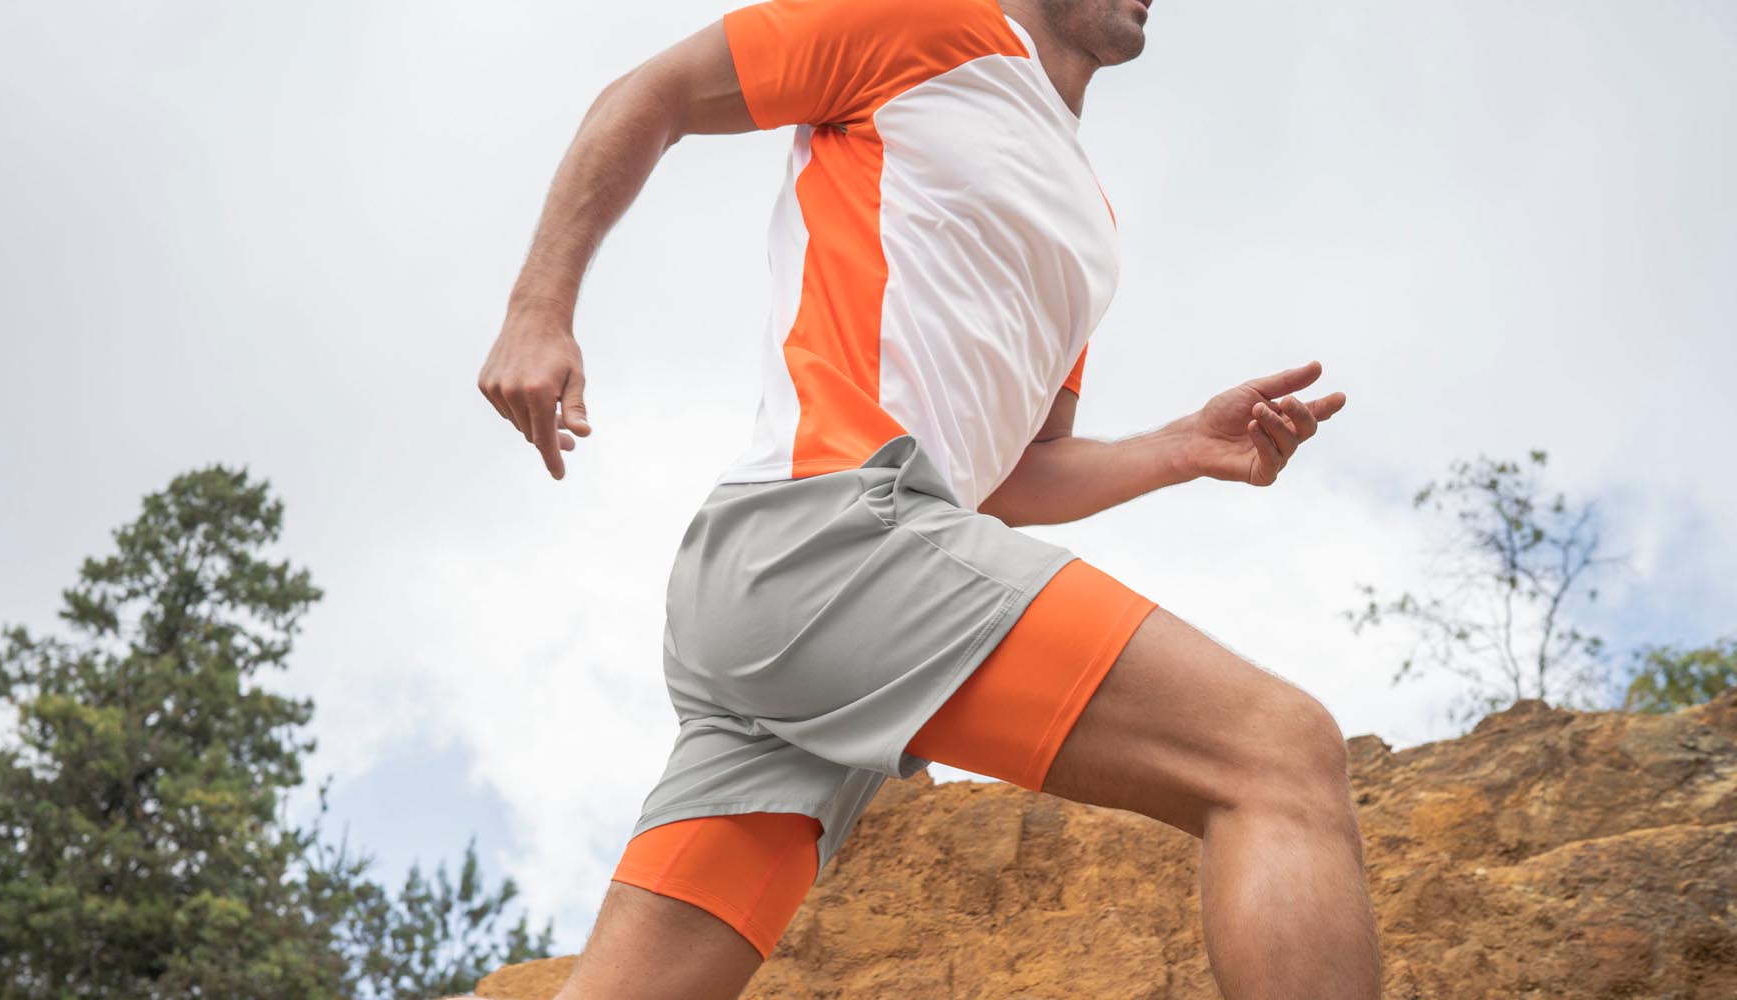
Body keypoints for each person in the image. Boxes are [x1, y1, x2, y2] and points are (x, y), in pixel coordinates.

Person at [478, 0, 1381, 996]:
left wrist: (1178, 447)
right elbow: (648, 95)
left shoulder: (1089, 225)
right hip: (827, 533)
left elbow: (1010, 479)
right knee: (1278, 756)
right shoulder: (919, 21)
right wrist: (538, 309)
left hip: (829, 618)